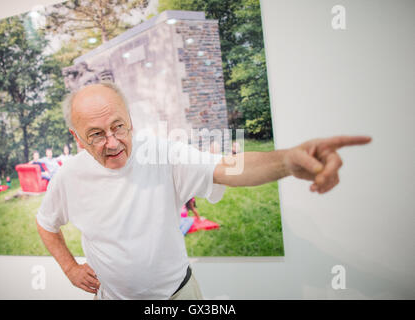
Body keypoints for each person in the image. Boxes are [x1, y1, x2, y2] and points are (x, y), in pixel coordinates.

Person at [35, 82, 371, 300]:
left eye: (118, 126)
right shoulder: (69, 177)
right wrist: (70, 268)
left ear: (130, 121)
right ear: (76, 138)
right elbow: (46, 223)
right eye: (95, 134)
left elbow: (227, 168)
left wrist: (287, 161)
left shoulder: (162, 154)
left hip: (179, 296)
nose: (112, 142)